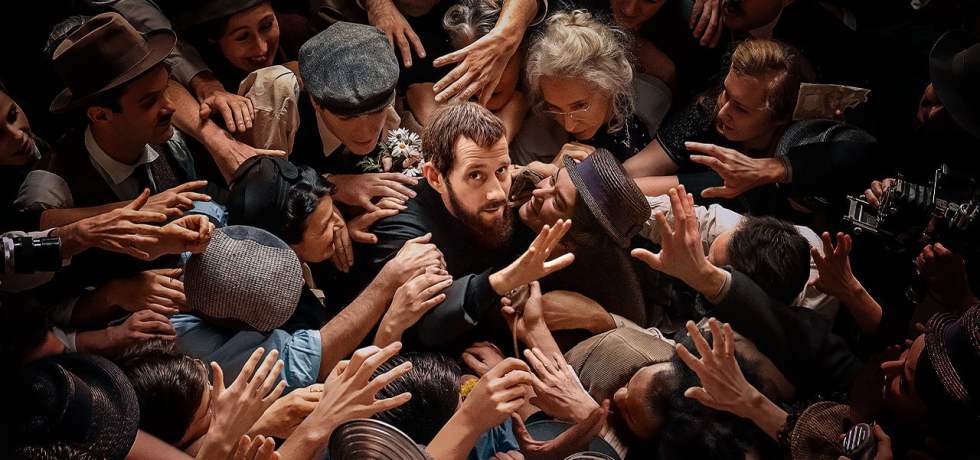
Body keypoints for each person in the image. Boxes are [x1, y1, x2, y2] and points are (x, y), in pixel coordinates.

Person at [349, 102, 575, 351]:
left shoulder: (515, 195)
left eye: (501, 170)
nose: (496, 193)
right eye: (475, 175)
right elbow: (427, 321)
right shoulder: (400, 224)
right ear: (435, 178)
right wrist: (504, 281)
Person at [625, 38, 875, 219]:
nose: (724, 111)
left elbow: (864, 150)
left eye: (741, 109)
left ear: (779, 118)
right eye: (726, 93)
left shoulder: (800, 144)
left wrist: (773, 168)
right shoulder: (711, 109)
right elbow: (632, 173)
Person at [512, 9, 672, 166]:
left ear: (611, 85)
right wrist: (551, 173)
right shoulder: (531, 142)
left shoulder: (658, 103)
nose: (569, 125)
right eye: (554, 107)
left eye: (579, 105)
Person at [404, 0, 530, 141]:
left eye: (500, 62)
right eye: (471, 63)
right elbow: (469, 149)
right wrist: (507, 124)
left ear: (522, 52)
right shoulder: (432, 95)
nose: (486, 76)